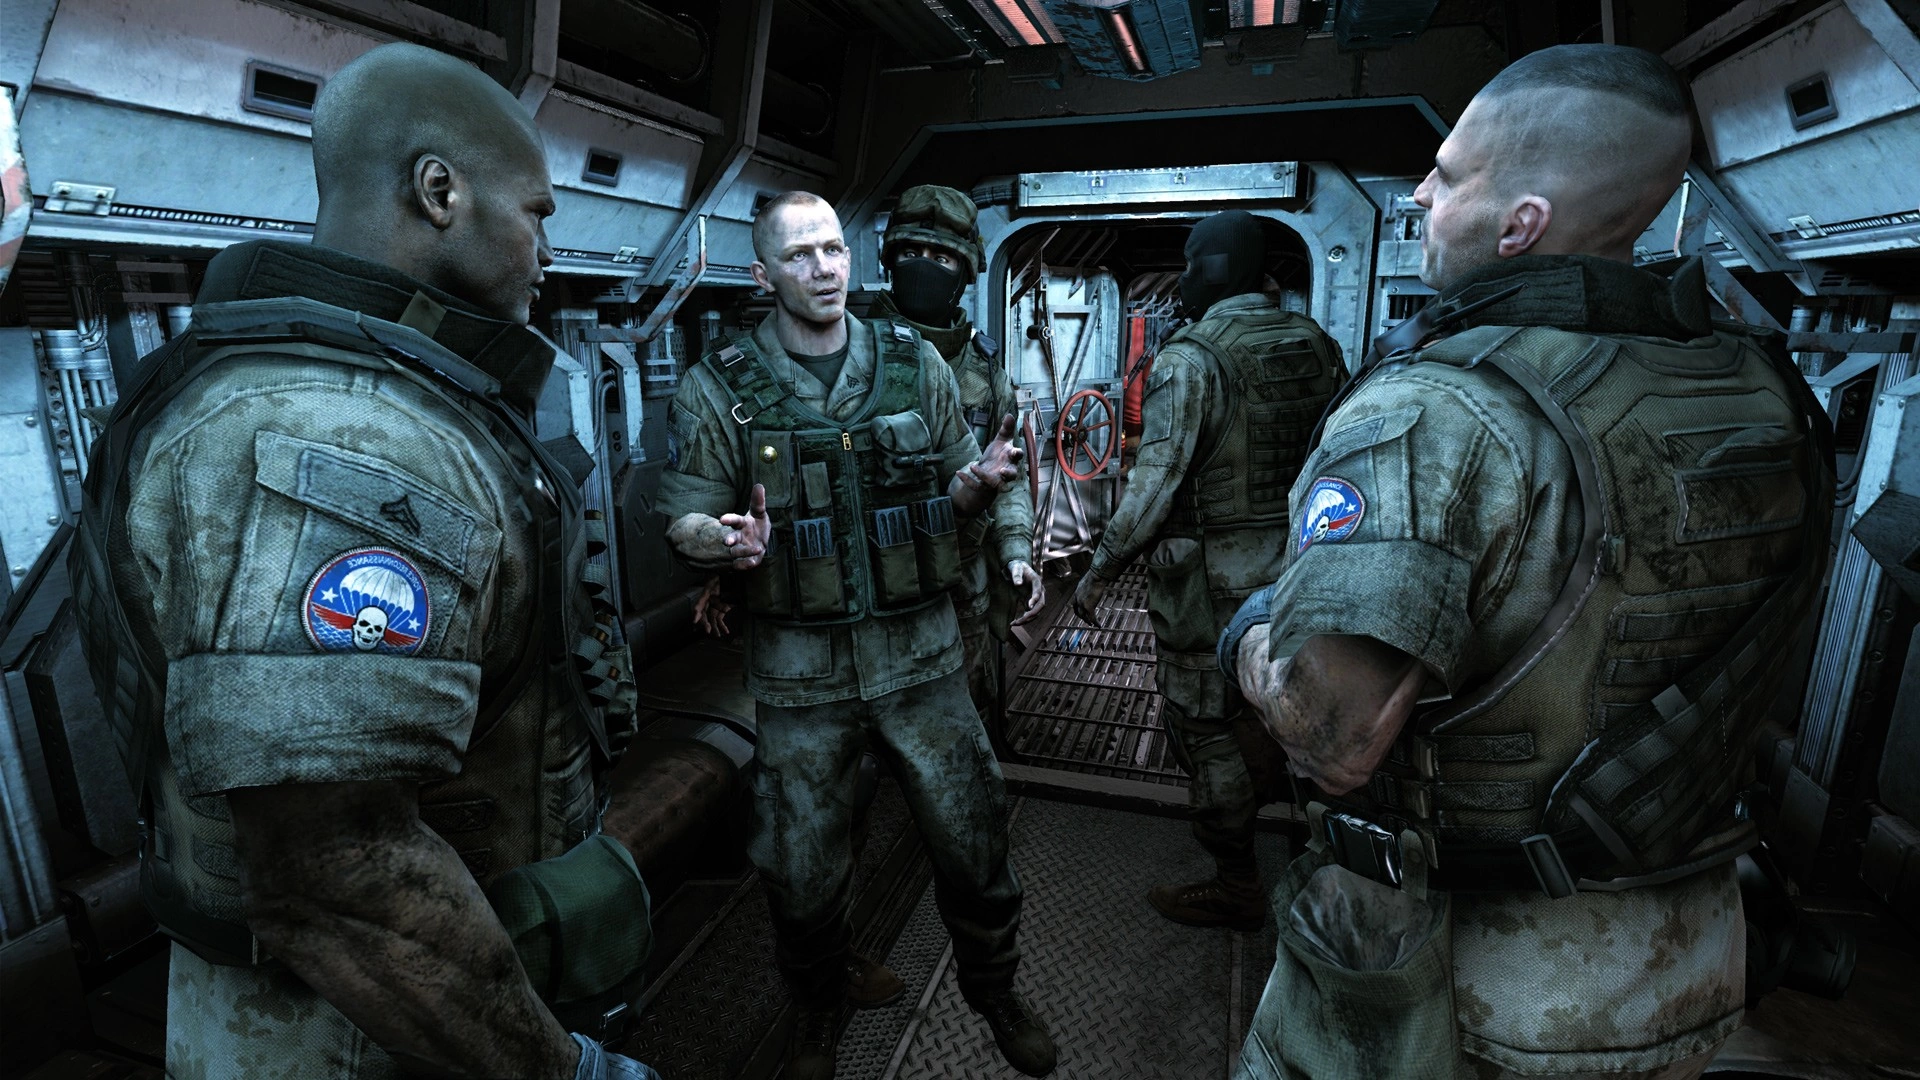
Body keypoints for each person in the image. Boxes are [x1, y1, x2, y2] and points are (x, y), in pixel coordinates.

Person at [1220, 44, 1833, 1080]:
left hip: (1467, 985)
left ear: (1522, 225)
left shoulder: (1437, 414)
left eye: (1448, 174)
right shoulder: (1766, 390)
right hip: (1682, 958)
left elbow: (1331, 737)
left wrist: (1251, 629)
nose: (1420, 194)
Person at [69, 43, 659, 1080]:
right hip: (355, 1028)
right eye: (537, 213)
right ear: (440, 192)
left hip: (434, 991)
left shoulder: (376, 393)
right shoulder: (344, 432)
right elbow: (337, 874)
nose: (546, 249)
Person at [656, 190, 1056, 1080]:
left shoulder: (918, 366)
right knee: (801, 875)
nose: (822, 268)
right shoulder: (718, 388)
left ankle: (994, 991)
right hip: (802, 680)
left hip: (923, 661)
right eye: (798, 255)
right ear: (763, 274)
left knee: (974, 842)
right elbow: (684, 516)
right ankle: (817, 1010)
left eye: (833, 249)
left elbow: (956, 485)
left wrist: (981, 487)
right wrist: (722, 543)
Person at [1067, 210, 1345, 930]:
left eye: (1192, 264)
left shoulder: (1191, 359)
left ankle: (1237, 884)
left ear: (1216, 270)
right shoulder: (1316, 343)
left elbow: (1153, 487)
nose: (1185, 279)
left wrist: (1098, 573)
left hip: (1209, 589)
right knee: (1302, 714)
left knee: (1208, 729)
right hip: (1305, 571)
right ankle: (1325, 875)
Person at [869, 184, 1044, 714]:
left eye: (941, 258)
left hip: (961, 580)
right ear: (889, 262)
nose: (924, 268)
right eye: (910, 253)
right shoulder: (852, 356)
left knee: (966, 711)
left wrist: (1016, 552)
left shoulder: (985, 374)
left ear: (964, 274)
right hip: (875, 585)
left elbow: (1008, 476)